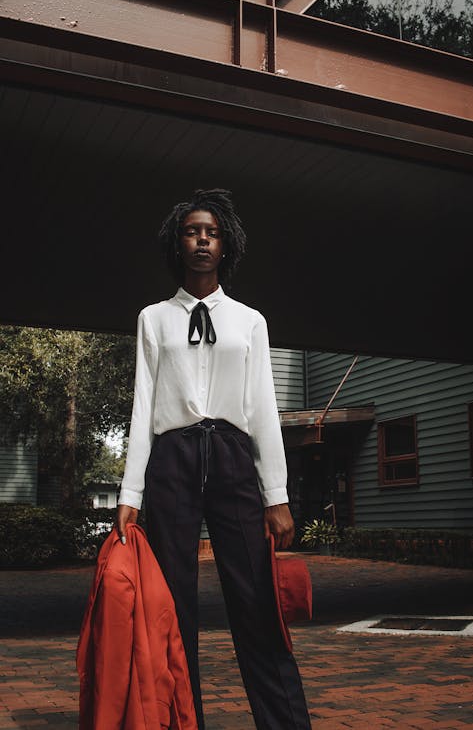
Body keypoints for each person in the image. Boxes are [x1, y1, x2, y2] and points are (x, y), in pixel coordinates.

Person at [116, 188, 312, 730]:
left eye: (211, 232)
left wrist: (276, 494)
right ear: (177, 244)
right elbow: (142, 406)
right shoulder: (153, 319)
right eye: (191, 231)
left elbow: (263, 408)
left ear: (225, 245)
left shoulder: (250, 321)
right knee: (173, 609)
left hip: (230, 456)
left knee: (257, 603)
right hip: (172, 461)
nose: (201, 240)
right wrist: (131, 493)